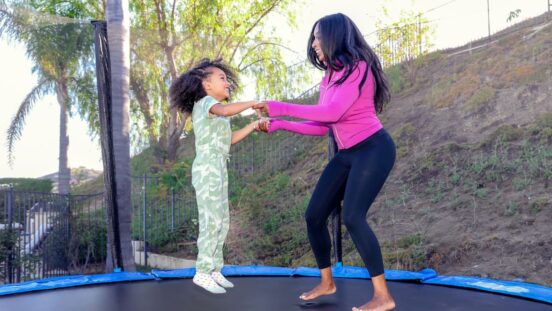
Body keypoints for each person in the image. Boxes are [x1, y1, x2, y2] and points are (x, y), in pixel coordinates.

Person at [255, 13, 396, 311]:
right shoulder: (328, 78)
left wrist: (279, 105)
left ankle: (383, 297)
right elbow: (323, 127)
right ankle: (326, 281)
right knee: (314, 216)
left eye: (319, 37)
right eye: (314, 38)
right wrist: (279, 123)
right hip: (346, 154)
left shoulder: (359, 68)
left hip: (373, 149)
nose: (314, 43)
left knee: (353, 217)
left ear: (334, 37)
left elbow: (331, 113)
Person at [169, 58, 260, 294]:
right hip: (208, 167)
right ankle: (202, 271)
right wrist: (254, 103)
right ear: (206, 84)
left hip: (220, 166)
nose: (227, 83)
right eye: (222, 78)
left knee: (222, 220)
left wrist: (253, 125)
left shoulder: (218, 116)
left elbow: (228, 140)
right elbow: (227, 109)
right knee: (210, 219)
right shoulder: (206, 103)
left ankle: (214, 269)